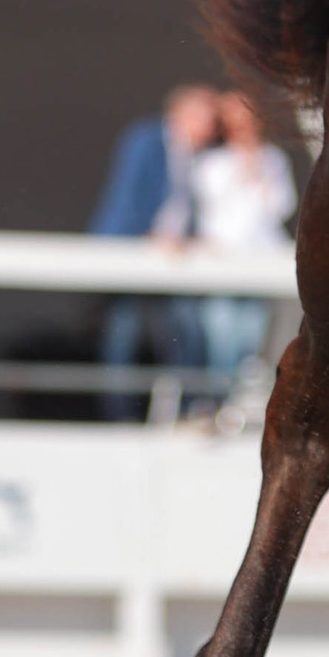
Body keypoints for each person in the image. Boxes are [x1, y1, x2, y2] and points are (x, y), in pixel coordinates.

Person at [89, 83, 220, 419]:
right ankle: (118, 416)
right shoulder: (146, 140)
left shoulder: (197, 157)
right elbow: (130, 198)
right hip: (131, 251)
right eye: (208, 118)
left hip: (170, 259)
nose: (213, 128)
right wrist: (152, 235)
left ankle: (188, 409)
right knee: (123, 334)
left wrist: (193, 238)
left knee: (186, 330)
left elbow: (185, 209)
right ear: (183, 114)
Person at [166, 91, 296, 388]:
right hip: (221, 261)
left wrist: (255, 165)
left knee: (252, 339)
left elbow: (280, 205)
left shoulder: (273, 159)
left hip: (259, 261)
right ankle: (214, 403)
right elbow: (211, 207)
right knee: (222, 338)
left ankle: (237, 405)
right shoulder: (210, 162)